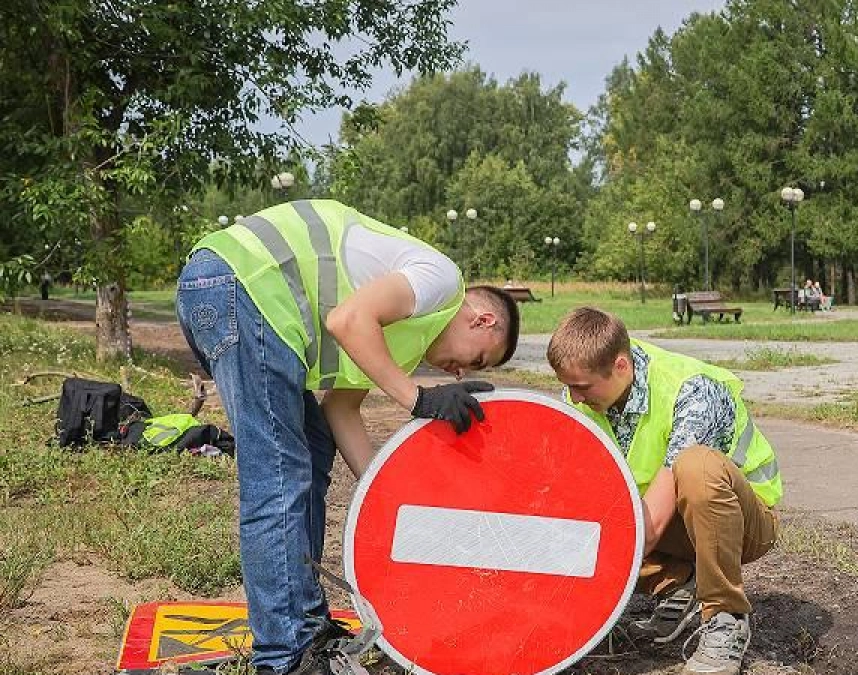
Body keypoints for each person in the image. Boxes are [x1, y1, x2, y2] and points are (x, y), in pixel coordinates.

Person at [176, 199, 520, 675]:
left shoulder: (404, 337)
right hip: (243, 283)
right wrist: (417, 399)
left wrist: (389, 496)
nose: (462, 371)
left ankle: (306, 626)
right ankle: (285, 657)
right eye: (479, 359)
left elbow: (341, 409)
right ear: (483, 320)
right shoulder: (442, 280)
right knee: (277, 474)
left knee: (311, 452)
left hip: (236, 291)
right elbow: (346, 320)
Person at [547, 308, 781, 675]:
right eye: (569, 386)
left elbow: (650, 527)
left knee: (696, 466)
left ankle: (726, 616)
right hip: (673, 525)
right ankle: (679, 582)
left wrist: (579, 591)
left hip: (742, 525)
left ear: (621, 366)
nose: (573, 399)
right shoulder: (586, 390)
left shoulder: (693, 390)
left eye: (582, 387)